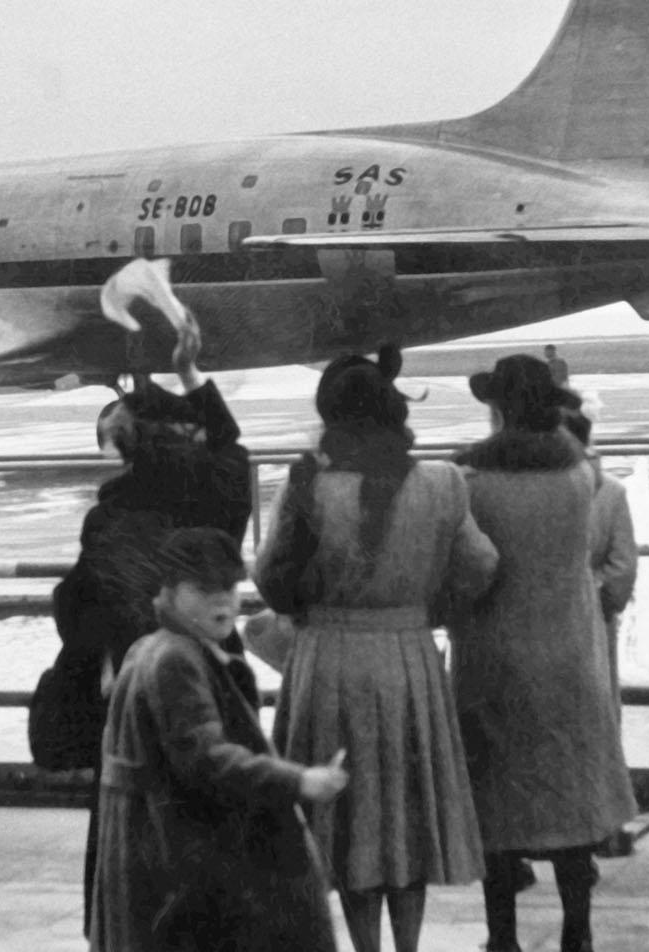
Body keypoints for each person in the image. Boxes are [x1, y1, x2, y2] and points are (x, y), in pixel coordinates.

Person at [257, 353, 497, 952]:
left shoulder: (307, 485)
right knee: (407, 818)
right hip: (408, 658)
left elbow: (268, 576)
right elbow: (481, 564)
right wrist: (429, 609)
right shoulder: (442, 483)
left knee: (347, 819)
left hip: (328, 659)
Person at [52, 316, 253, 932]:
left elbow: (76, 616)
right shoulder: (216, 504)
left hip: (134, 695)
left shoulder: (107, 520)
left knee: (130, 835)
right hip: (212, 686)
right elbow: (231, 448)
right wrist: (190, 372)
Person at [91, 526, 347, 952]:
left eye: (229, 587)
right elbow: (206, 758)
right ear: (169, 591)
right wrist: (298, 780)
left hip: (149, 848)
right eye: (204, 589)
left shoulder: (150, 647)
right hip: (177, 857)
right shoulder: (176, 659)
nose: (223, 601)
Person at [451, 354, 634, 952]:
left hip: (493, 655)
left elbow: (467, 567)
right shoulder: (580, 476)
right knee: (571, 795)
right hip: (571, 651)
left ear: (498, 407)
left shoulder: (471, 482)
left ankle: (502, 936)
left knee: (496, 801)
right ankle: (577, 931)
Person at [564, 406, 640, 860]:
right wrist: (600, 601)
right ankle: (603, 821)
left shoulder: (606, 491)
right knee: (600, 717)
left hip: (567, 617)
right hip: (592, 616)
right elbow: (622, 565)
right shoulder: (609, 491)